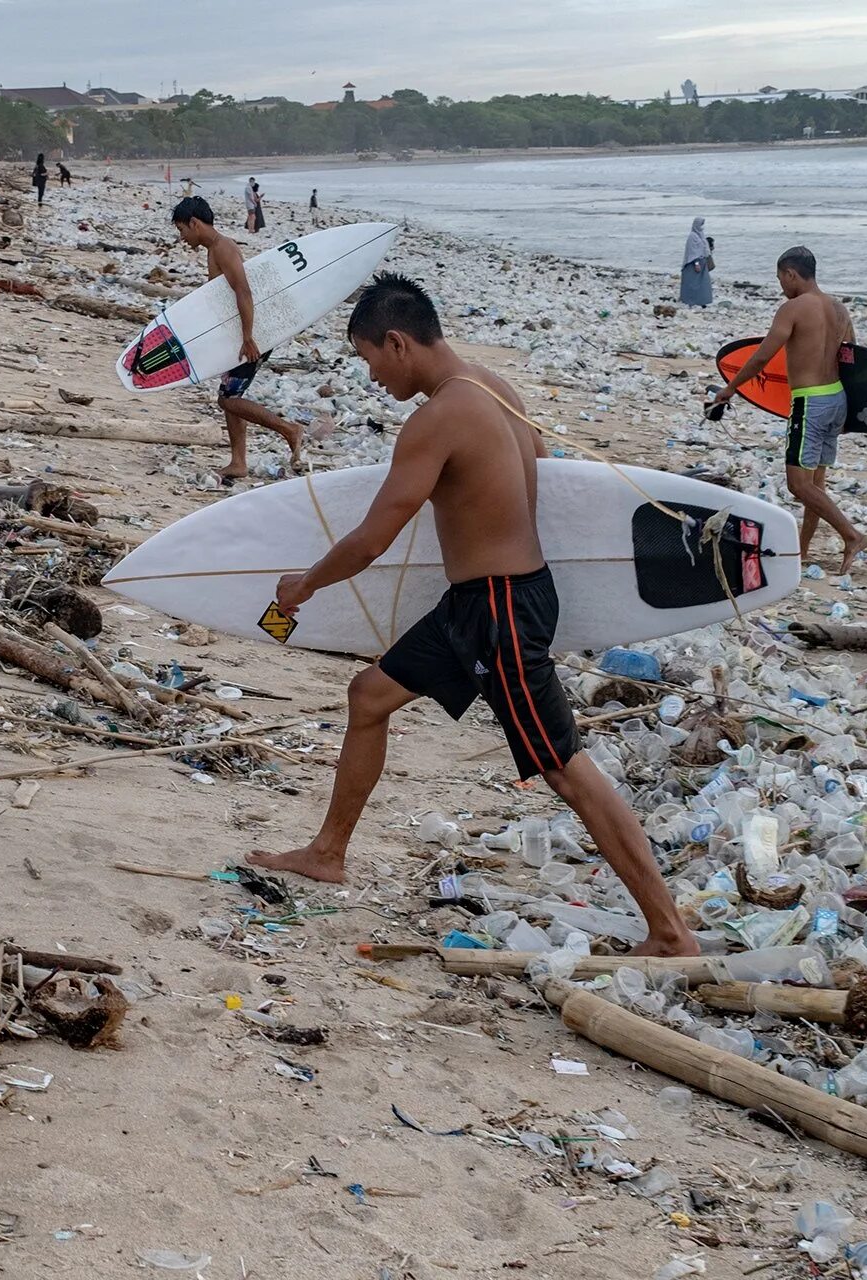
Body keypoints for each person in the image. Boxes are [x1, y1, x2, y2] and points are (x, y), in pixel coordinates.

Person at [249, 273, 700, 956]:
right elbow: (550, 483)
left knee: (563, 767)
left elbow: (375, 538)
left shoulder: (436, 420)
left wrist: (304, 585)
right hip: (484, 601)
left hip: (499, 610)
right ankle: (328, 851)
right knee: (369, 695)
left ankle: (669, 932)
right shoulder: (495, 388)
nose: (371, 376)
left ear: (398, 342)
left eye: (370, 358)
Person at [708, 246, 866, 572]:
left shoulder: (792, 308)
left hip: (811, 401)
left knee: (799, 485)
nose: (781, 285)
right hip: (837, 398)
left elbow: (763, 356)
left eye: (781, 278)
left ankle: (851, 535)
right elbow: (852, 360)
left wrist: (729, 388)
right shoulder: (839, 309)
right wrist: (852, 411)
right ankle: (802, 550)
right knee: (815, 485)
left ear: (791, 273)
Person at [170, 195, 303, 481]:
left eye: (182, 230)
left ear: (194, 223)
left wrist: (248, 337)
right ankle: (238, 462)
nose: (182, 237)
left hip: (252, 334)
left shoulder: (223, 248)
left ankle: (289, 429)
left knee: (228, 401)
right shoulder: (213, 248)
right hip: (241, 334)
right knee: (231, 395)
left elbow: (243, 291)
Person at [679, 217, 713, 307]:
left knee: (703, 283)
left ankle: (702, 301)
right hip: (694, 264)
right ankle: (690, 301)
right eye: (701, 224)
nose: (702, 227)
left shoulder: (700, 235)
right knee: (692, 284)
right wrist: (696, 263)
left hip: (702, 262)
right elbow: (692, 252)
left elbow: (704, 249)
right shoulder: (692, 236)